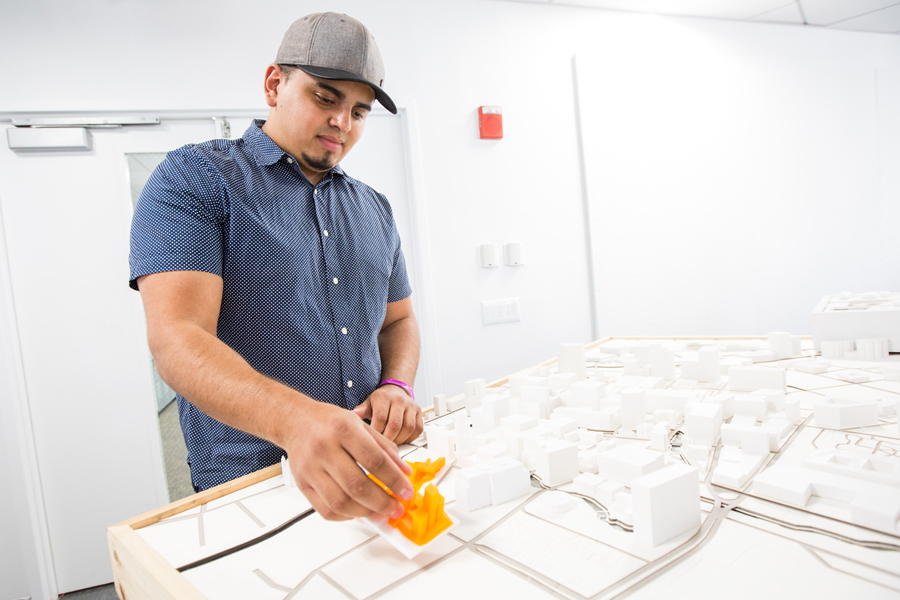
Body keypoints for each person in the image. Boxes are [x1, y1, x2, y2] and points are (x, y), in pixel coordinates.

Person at [129, 12, 422, 523]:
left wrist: (396, 385)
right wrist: (297, 422)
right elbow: (177, 339)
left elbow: (399, 321)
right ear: (274, 84)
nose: (342, 123)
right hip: (250, 484)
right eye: (326, 98)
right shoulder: (196, 179)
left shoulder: (374, 209)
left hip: (370, 464)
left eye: (359, 110)